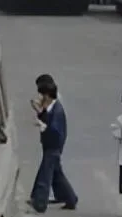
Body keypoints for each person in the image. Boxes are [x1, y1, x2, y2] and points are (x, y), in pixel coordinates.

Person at [29, 80, 78, 213]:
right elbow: (46, 117)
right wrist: (40, 112)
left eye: (40, 95)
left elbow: (55, 131)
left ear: (46, 96)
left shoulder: (57, 111)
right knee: (57, 175)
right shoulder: (51, 108)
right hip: (49, 145)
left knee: (45, 175)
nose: (39, 98)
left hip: (53, 146)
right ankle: (70, 198)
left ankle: (40, 203)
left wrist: (42, 126)